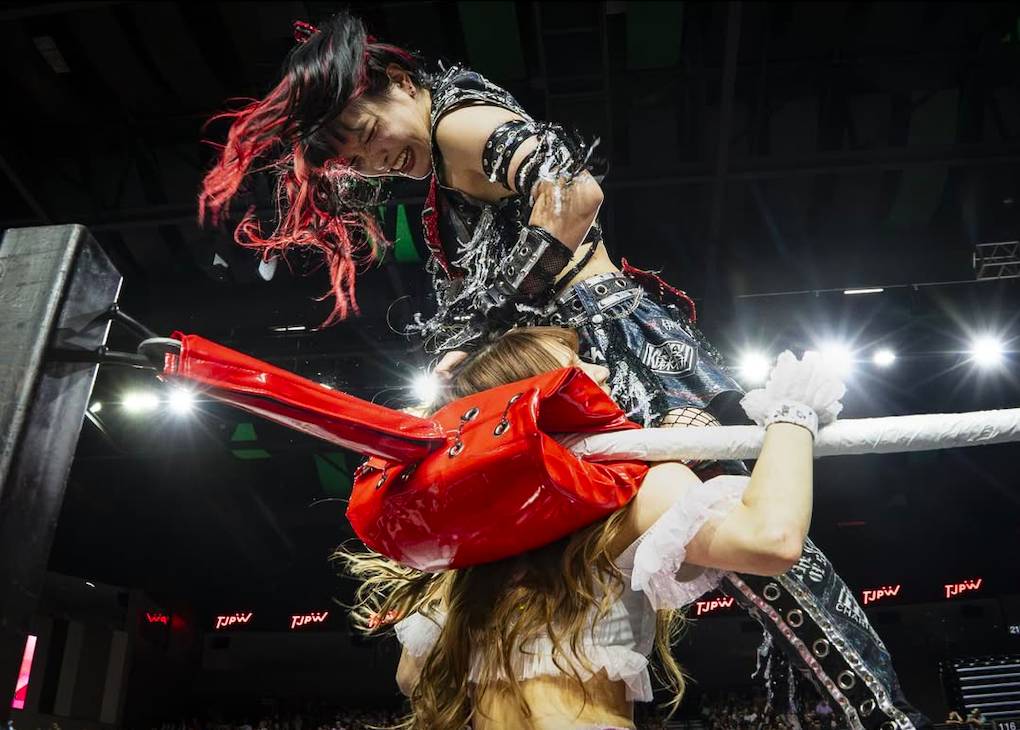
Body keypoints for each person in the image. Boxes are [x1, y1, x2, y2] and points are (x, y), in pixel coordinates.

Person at [200, 13, 929, 729]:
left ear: (398, 82)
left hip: (612, 354)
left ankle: (881, 714)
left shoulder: (458, 125)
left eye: (365, 135)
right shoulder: (445, 161)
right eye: (353, 160)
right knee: (559, 540)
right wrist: (473, 342)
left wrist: (489, 316)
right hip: (555, 368)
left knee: (756, 547)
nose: (372, 160)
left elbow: (577, 195)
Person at [338, 326, 838, 729]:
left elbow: (412, 676)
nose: (600, 368)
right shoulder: (636, 496)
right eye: (578, 368)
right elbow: (772, 539)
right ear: (546, 399)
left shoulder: (465, 542)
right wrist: (794, 414)